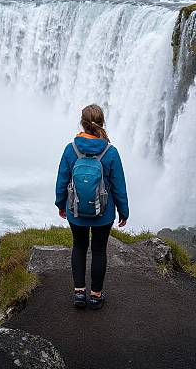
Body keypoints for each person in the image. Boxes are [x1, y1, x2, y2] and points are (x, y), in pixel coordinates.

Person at [55, 104, 129, 310]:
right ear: (101, 123)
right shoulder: (111, 151)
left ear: (82, 123)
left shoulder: (71, 150)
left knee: (79, 247)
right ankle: (96, 296)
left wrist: (61, 204)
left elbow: (62, 181)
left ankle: (79, 293)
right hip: (103, 213)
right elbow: (119, 186)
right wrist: (124, 211)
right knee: (98, 250)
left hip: (76, 211)